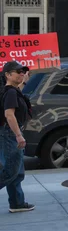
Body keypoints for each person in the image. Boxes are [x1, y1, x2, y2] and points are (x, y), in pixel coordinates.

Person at [0, 61, 35, 213]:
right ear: (8, 75)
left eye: (23, 71)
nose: (21, 73)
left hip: (9, 133)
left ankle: (17, 203)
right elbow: (9, 115)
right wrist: (19, 136)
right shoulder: (11, 92)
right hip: (11, 134)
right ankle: (16, 203)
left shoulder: (11, 91)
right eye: (18, 72)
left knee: (17, 172)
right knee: (11, 171)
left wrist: (25, 81)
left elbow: (16, 90)